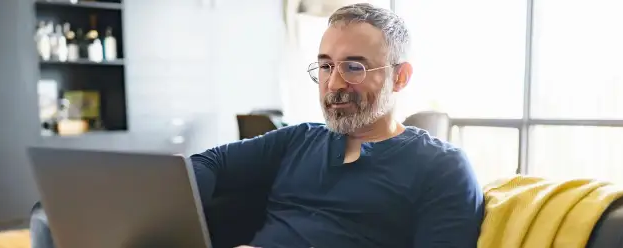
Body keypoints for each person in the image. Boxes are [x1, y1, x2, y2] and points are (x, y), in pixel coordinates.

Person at [192, 3, 484, 248]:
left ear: (400, 77)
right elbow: (206, 163)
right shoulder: (298, 140)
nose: (333, 84)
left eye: (354, 67)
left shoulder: (443, 168)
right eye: (326, 66)